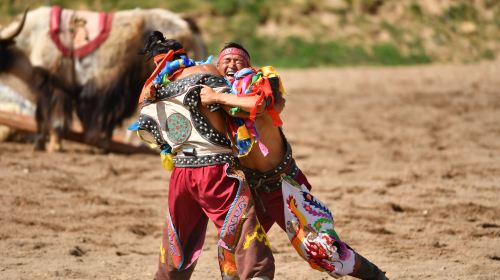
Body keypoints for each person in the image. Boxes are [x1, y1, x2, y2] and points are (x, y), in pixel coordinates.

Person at [200, 42, 388, 279]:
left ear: (250, 65)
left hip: (283, 185)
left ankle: (376, 276)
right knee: (234, 252)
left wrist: (218, 97)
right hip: (247, 189)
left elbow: (258, 106)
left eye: (238, 60)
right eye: (226, 61)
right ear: (218, 67)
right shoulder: (210, 92)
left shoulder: (262, 82)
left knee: (323, 250)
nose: (232, 65)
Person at [132, 33, 275, 280]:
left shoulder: (153, 92)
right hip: (214, 169)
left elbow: (149, 132)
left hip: (180, 175)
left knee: (177, 240)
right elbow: (255, 105)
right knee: (242, 230)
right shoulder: (206, 72)